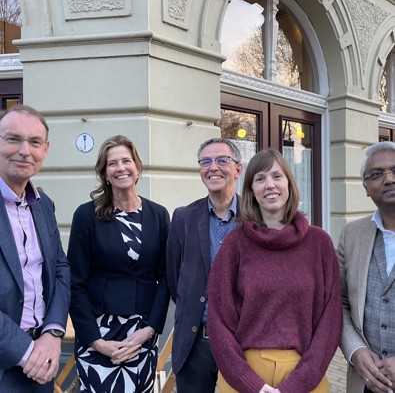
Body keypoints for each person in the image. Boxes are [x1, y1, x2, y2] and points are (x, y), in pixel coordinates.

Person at [207, 149, 342, 393]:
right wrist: (252, 385)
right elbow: (218, 320)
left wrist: (297, 384)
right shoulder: (234, 244)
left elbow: (330, 321)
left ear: (289, 183)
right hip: (243, 376)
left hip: (306, 376)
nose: (270, 185)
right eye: (260, 179)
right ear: (251, 190)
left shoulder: (319, 243)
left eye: (277, 176)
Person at [68, 135, 170, 393]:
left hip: (142, 334)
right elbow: (74, 283)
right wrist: (94, 340)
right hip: (98, 332)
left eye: (126, 160)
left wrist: (150, 329)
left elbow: (166, 277)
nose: (120, 167)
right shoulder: (86, 215)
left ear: (137, 167)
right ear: (104, 173)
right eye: (112, 163)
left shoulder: (158, 215)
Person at [0, 104, 70, 392]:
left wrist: (53, 332)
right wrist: (27, 353)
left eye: (35, 142)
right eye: (13, 139)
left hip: (44, 356)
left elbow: (60, 269)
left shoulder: (43, 205)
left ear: (46, 149)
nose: (25, 151)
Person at [166, 137, 242, 392]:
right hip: (196, 340)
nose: (213, 167)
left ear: (238, 169)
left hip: (244, 342)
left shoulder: (256, 218)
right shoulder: (183, 218)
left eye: (222, 160)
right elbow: (173, 277)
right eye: (206, 161)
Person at [338, 141, 395, 393]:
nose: (389, 179)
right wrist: (355, 351)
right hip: (366, 382)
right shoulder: (351, 235)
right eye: (377, 174)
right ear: (365, 187)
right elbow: (338, 304)